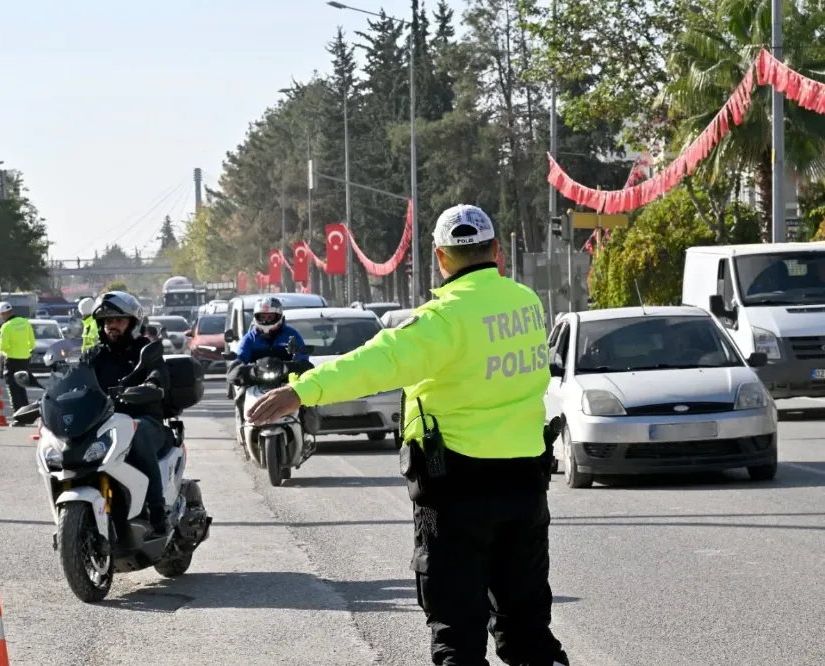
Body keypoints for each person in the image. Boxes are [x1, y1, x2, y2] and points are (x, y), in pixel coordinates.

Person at [248, 204, 569, 666]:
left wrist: (302, 391)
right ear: (496, 250)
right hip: (525, 483)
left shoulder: (444, 319)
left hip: (457, 488)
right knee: (528, 630)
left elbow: (374, 363)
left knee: (458, 636)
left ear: (439, 256)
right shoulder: (526, 303)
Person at [81, 291, 172, 537]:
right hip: (105, 425)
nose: (112, 326)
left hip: (146, 422)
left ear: (133, 323)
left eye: (119, 320)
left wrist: (152, 385)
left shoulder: (146, 351)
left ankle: (156, 508)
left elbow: (158, 373)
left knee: (136, 429)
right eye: (107, 321)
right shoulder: (94, 355)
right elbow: (76, 381)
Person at [227, 296, 314, 452]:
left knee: (307, 394)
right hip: (257, 380)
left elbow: (302, 356)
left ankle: (308, 431)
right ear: (256, 317)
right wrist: (239, 368)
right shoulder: (249, 338)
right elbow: (239, 359)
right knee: (239, 395)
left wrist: (298, 364)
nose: (266, 320)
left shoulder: (291, 335)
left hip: (286, 380)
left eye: (270, 317)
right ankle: (243, 430)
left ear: (278, 316)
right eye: (263, 317)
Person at [0, 301, 35, 422]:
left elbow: (3, 346)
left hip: (12, 360)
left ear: (3, 314)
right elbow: (32, 343)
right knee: (22, 388)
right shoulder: (25, 322)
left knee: (13, 389)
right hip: (25, 360)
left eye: (1, 315)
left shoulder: (6, 327)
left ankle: (18, 417)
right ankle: (27, 416)